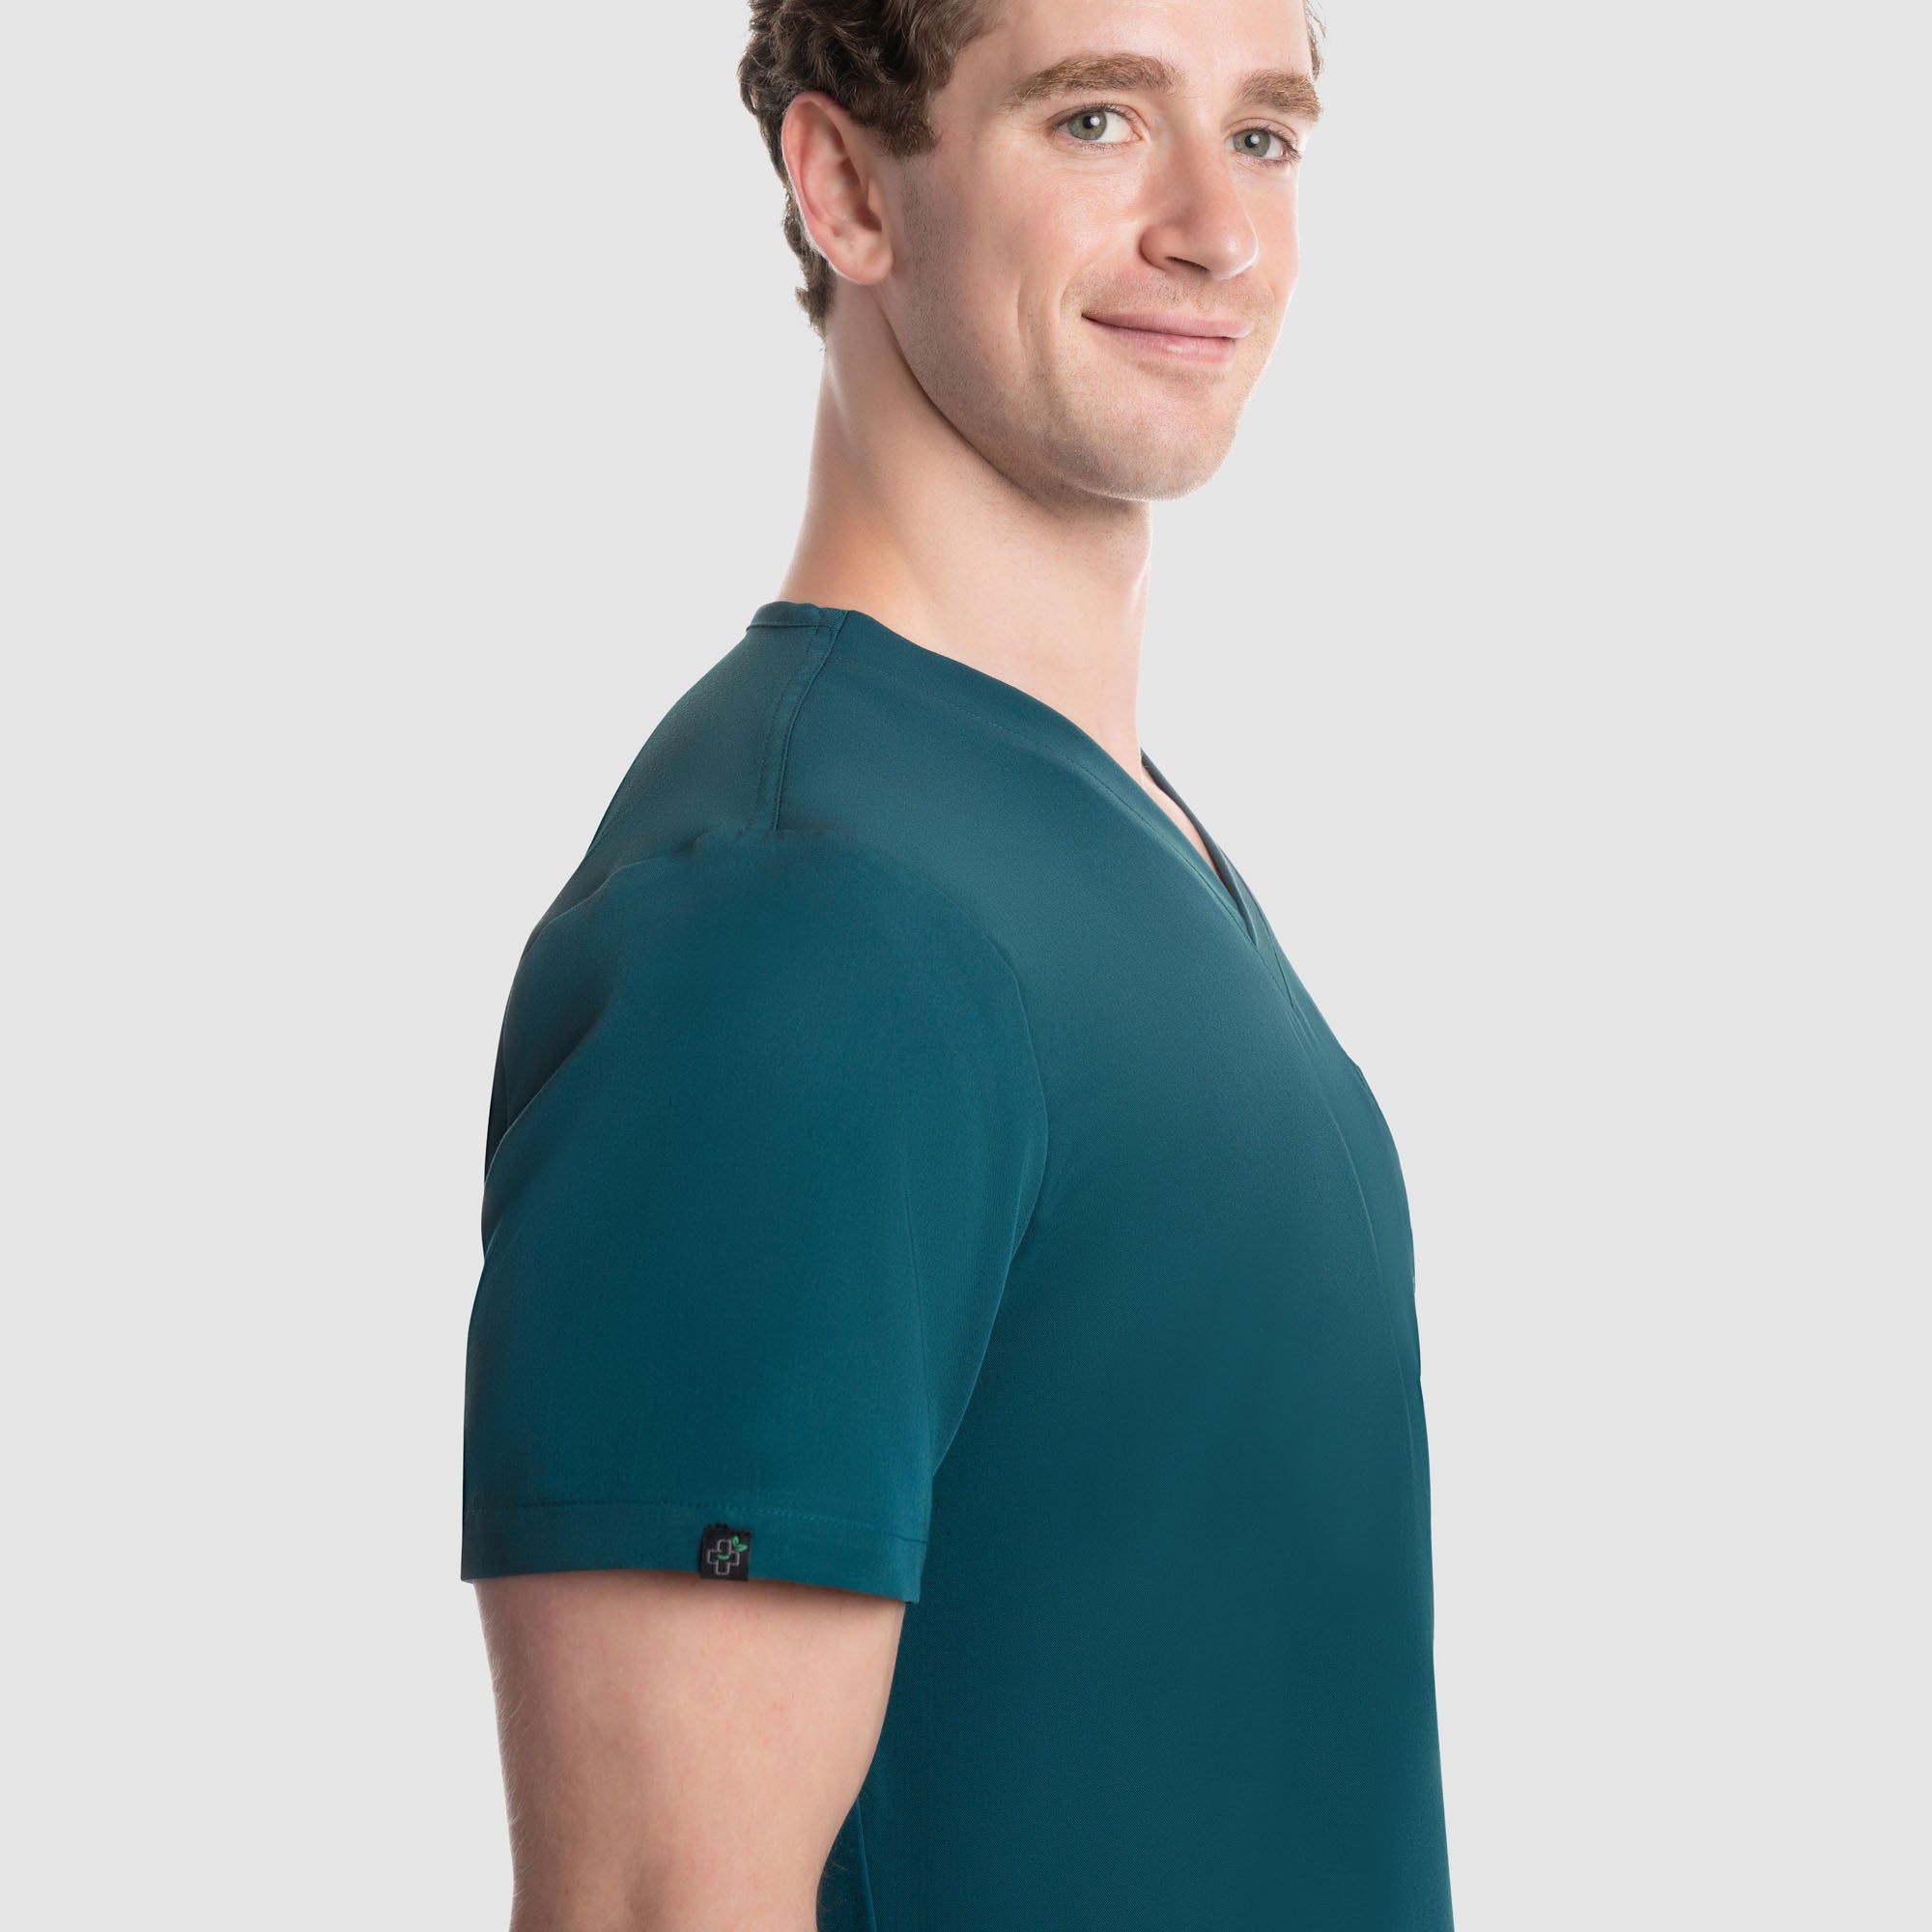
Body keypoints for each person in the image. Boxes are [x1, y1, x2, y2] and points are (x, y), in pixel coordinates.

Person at [460, 1, 1456, 1925]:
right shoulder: (801, 931)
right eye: (1095, 121)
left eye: (1264, 134)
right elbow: (657, 1903)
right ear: (847, 189)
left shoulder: (1092, 836)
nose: (1215, 230)